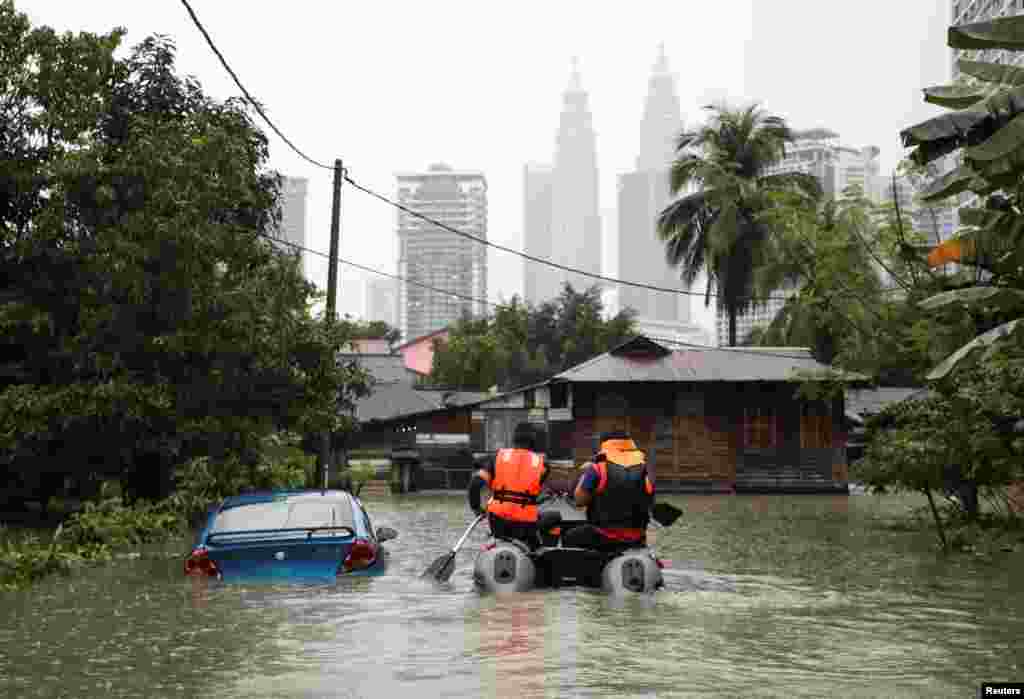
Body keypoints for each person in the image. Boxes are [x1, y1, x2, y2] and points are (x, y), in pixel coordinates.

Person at [562, 430, 655, 552]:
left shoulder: (597, 468)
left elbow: (579, 500)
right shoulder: (645, 468)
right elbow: (649, 501)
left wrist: (584, 473)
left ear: (604, 445)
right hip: (637, 537)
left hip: (604, 535)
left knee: (570, 537)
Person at [467, 422, 549, 549]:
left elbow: (475, 483)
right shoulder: (543, 465)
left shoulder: (497, 457)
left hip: (498, 521)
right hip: (525, 524)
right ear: (533, 441)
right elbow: (532, 493)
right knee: (551, 523)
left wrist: (476, 509)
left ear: (514, 439)